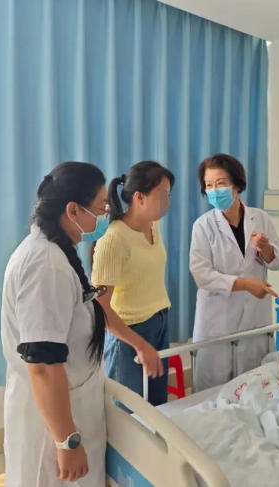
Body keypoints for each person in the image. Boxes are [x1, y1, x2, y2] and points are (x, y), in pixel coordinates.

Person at [1, 162, 162, 487]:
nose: (105, 215)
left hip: (71, 403)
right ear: (73, 210)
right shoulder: (46, 265)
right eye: (101, 207)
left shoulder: (56, 253)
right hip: (54, 425)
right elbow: (43, 366)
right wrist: (67, 442)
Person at [190, 153, 279, 390]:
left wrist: (266, 249)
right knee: (213, 391)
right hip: (217, 321)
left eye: (220, 183)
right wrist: (244, 284)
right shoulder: (203, 226)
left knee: (253, 386)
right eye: (209, 185)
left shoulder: (260, 218)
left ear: (236, 185)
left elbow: (278, 261)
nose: (214, 191)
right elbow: (202, 274)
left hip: (254, 318)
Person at [91, 161, 174, 405]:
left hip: (159, 324)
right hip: (128, 333)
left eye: (168, 196)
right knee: (128, 414)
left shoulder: (153, 226)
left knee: (157, 408)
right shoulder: (113, 238)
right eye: (162, 195)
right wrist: (140, 345)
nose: (167, 202)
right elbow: (101, 308)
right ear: (139, 197)